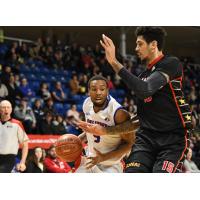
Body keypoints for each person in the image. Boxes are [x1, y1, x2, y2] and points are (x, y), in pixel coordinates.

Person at [78, 27, 192, 173]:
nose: (136, 48)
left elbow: (146, 90)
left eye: (140, 44)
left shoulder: (170, 63)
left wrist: (114, 62)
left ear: (153, 44)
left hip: (172, 140)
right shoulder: (143, 77)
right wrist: (104, 130)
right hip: (146, 139)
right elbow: (138, 121)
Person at [76, 75, 139, 173]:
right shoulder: (87, 104)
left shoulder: (118, 113)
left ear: (107, 90)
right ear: (88, 91)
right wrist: (78, 140)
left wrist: (103, 157)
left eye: (102, 89)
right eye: (94, 89)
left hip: (110, 165)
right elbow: (92, 131)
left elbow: (129, 143)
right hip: (90, 160)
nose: (98, 93)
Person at [0, 100, 29, 173]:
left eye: (8, 107)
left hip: (9, 158)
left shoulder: (17, 124)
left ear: (11, 109)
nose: (6, 109)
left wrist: (22, 162)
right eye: (3, 107)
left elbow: (25, 144)